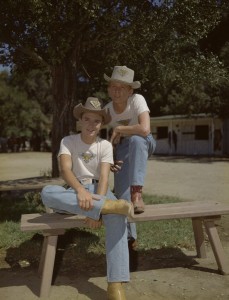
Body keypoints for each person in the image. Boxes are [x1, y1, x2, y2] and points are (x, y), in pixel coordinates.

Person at [41, 97, 134, 300]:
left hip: (99, 191)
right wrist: (82, 193)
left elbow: (104, 179)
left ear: (102, 124)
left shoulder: (105, 146)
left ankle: (115, 284)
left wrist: (96, 206)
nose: (91, 124)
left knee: (117, 217)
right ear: (80, 121)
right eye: (87, 119)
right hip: (75, 188)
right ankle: (108, 206)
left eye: (97, 121)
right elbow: (65, 170)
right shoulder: (68, 141)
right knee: (47, 193)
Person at [104, 66, 156, 259]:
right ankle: (130, 241)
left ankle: (137, 192)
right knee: (121, 196)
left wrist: (119, 129)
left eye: (122, 87)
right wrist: (108, 157)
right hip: (123, 149)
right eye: (113, 86)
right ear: (109, 89)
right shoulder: (107, 109)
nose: (117, 91)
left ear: (130, 91)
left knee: (136, 140)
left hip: (144, 142)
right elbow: (96, 133)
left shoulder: (137, 100)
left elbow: (144, 129)